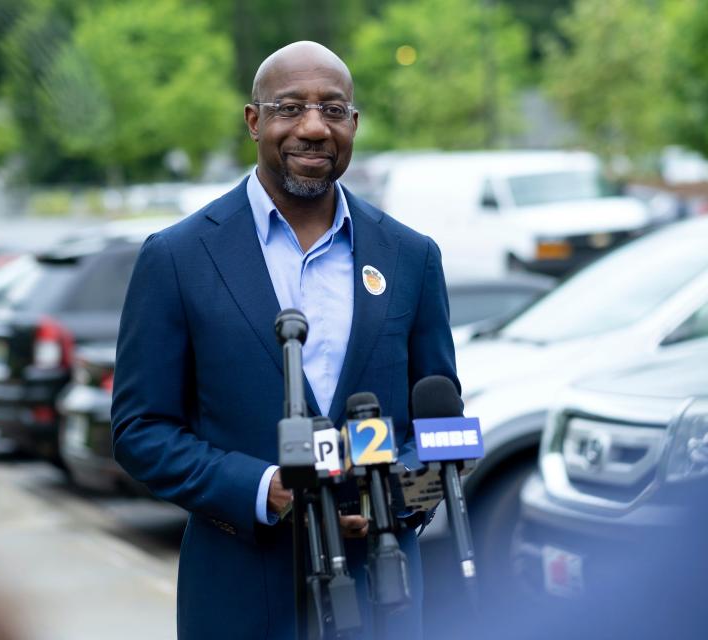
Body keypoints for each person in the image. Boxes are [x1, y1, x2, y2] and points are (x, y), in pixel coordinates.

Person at [111, 41, 459, 640]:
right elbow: (140, 430)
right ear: (254, 121)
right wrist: (261, 489)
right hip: (242, 595)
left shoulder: (411, 256)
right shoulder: (177, 257)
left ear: (354, 123)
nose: (313, 127)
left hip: (383, 595)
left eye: (332, 109)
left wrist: (392, 499)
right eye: (290, 107)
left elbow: (439, 418)